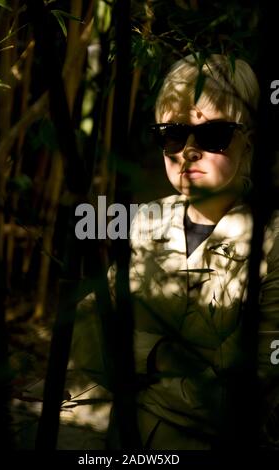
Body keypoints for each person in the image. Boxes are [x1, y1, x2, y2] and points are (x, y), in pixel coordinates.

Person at [72, 53, 279, 450]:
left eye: (212, 135)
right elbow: (86, 339)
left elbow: (243, 401)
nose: (187, 151)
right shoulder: (142, 223)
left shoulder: (273, 242)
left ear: (248, 141)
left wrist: (136, 360)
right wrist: (165, 358)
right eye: (172, 134)